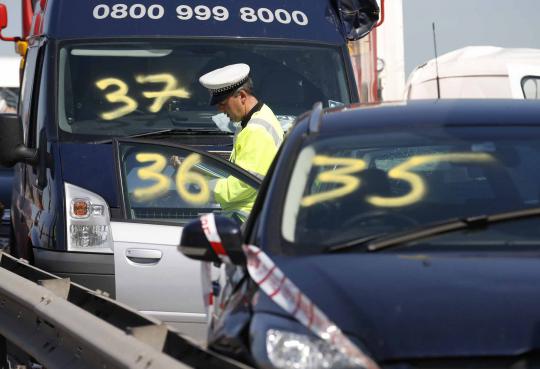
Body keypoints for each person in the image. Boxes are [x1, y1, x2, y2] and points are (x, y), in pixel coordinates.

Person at [174, 63, 284, 222]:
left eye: (223, 104)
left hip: (246, 222)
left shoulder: (256, 130)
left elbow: (241, 186)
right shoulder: (258, 117)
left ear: (242, 97)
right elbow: (241, 170)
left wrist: (198, 182)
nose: (220, 110)